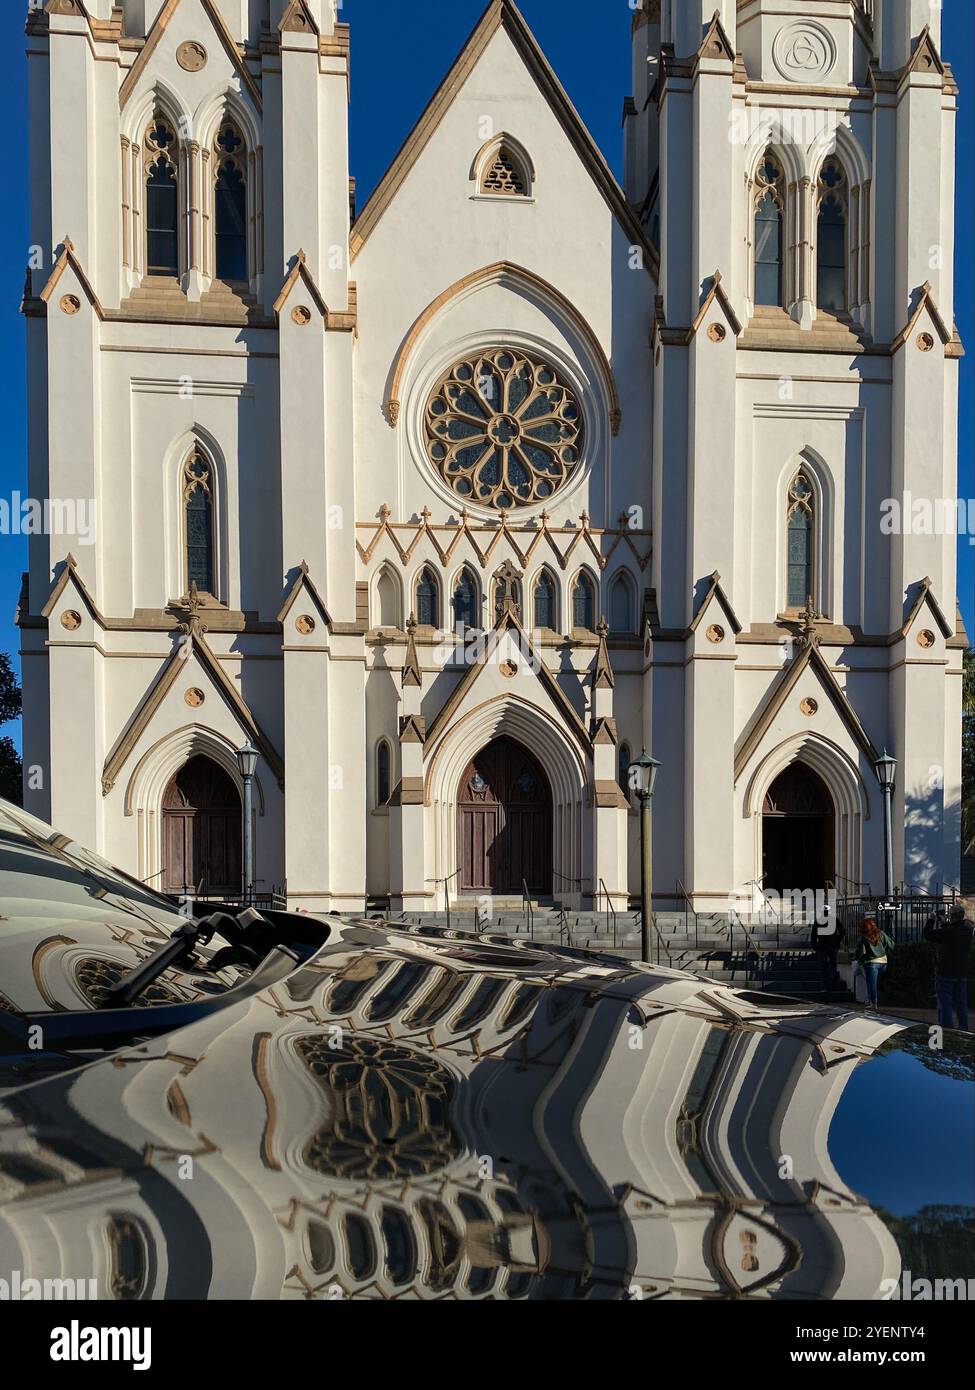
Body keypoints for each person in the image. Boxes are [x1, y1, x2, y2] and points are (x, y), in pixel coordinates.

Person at [924, 903, 973, 1031]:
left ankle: (947, 1029)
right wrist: (945, 922)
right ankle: (964, 1028)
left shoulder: (948, 932)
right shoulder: (968, 930)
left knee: (945, 1003)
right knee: (961, 1003)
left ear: (952, 916)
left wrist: (931, 919)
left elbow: (927, 934)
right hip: (961, 972)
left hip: (945, 972)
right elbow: (954, 930)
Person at [854, 915, 895, 1010]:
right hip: (884, 962)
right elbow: (891, 945)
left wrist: (859, 960)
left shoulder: (864, 938)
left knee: (871, 983)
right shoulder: (881, 933)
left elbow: (859, 953)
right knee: (872, 982)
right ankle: (871, 1000)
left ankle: (873, 1003)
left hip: (871, 963)